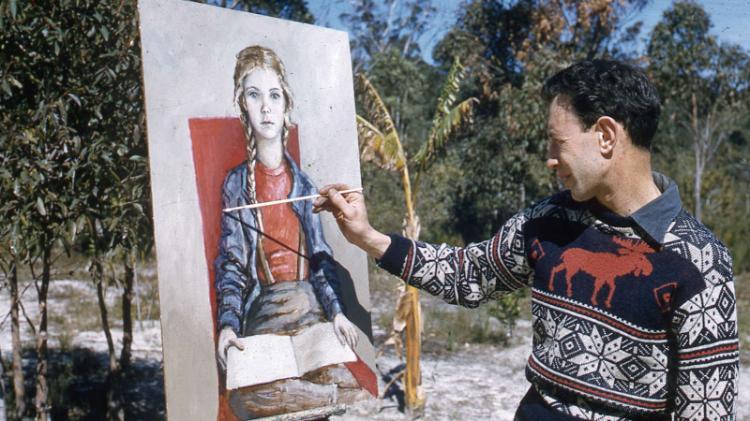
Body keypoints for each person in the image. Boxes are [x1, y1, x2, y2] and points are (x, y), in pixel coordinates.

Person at [314, 60, 738, 420]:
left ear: (606, 136)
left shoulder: (699, 262)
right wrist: (368, 238)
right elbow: (470, 275)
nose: (550, 159)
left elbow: (705, 412)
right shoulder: (549, 218)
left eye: (558, 143)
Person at [214, 45, 364, 418]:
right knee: (245, 399)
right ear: (242, 106)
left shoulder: (304, 184)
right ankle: (315, 395)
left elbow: (321, 259)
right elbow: (232, 265)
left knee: (345, 380)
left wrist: (338, 314)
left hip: (309, 308)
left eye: (274, 96)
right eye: (254, 95)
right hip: (264, 311)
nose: (266, 107)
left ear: (286, 108)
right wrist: (229, 326)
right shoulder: (236, 185)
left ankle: (317, 394)